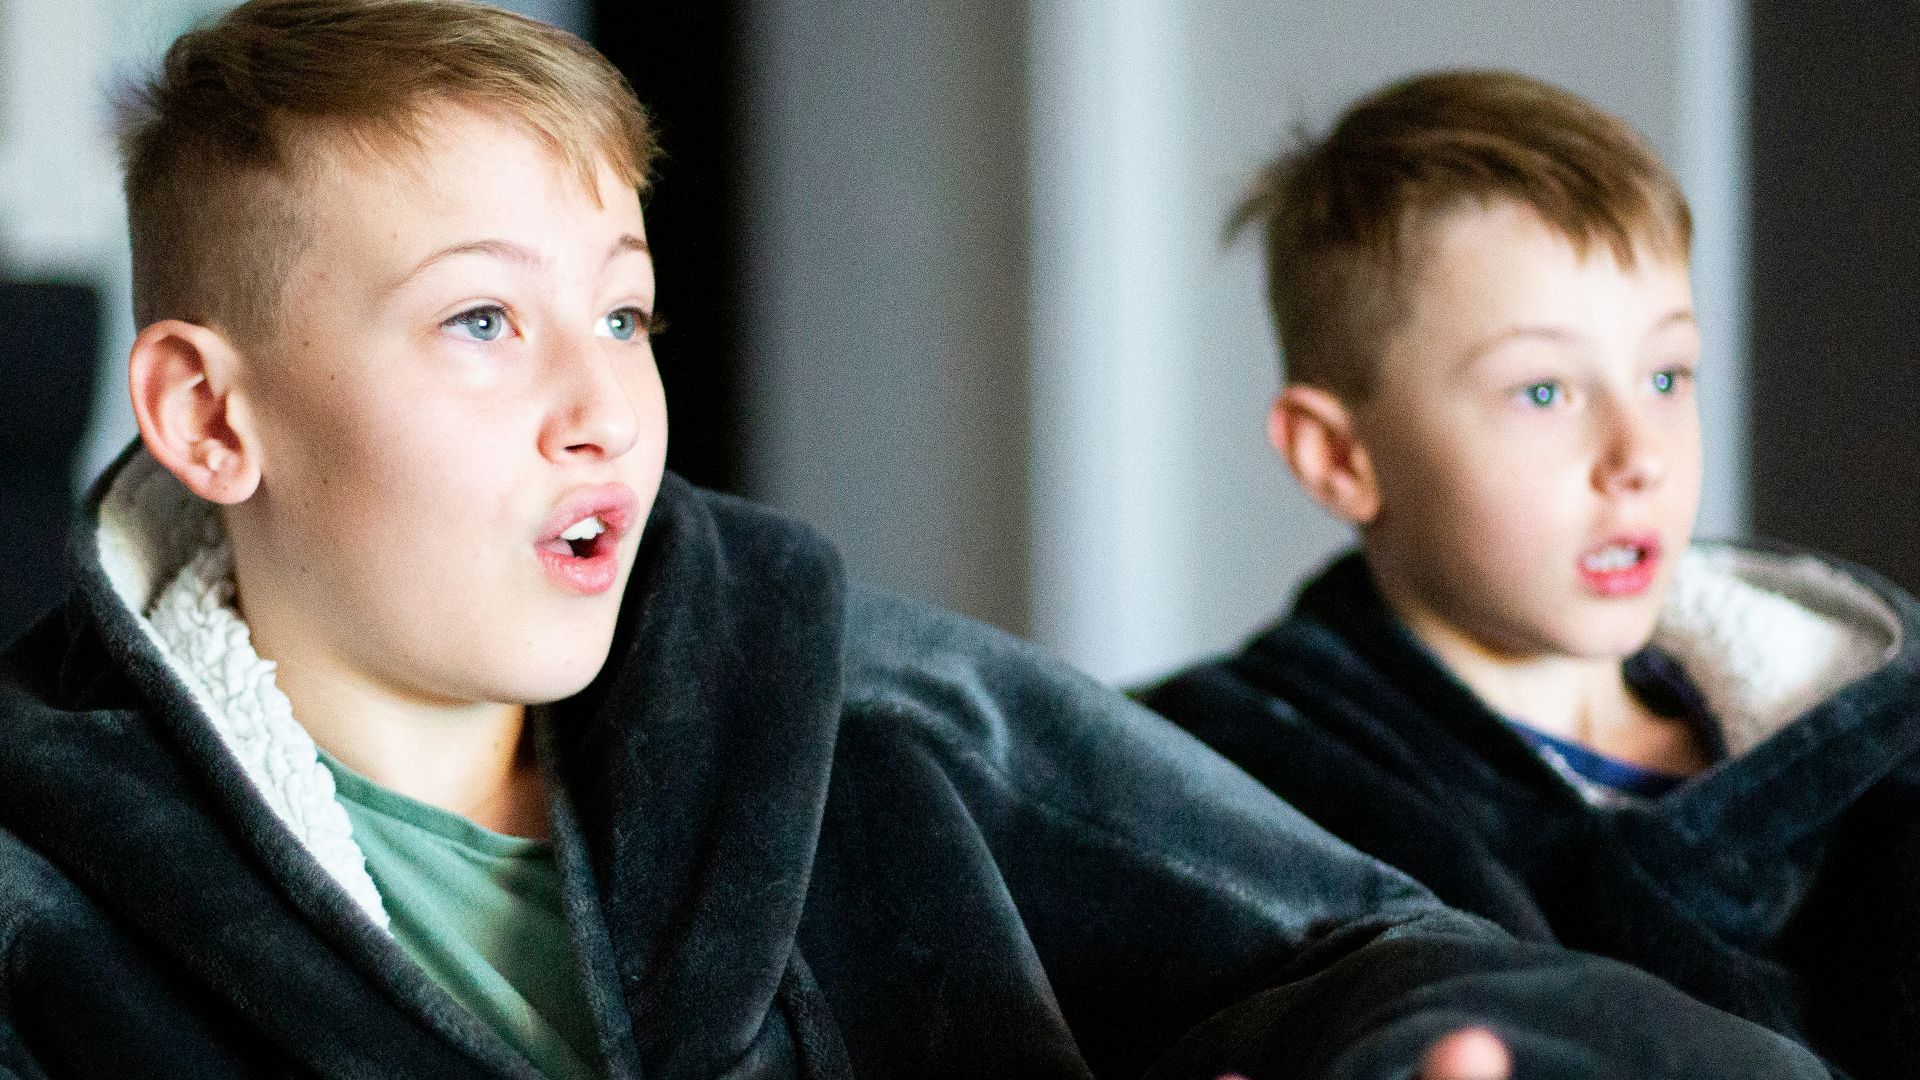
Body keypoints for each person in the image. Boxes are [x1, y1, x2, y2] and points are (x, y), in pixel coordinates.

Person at [0, 9, 1833, 1077]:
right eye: (483, 322)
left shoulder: (862, 709)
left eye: (623, 314)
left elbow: (1361, 944)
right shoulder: (52, 896)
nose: (603, 406)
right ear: (210, 418)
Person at [1137, 69, 1920, 1078]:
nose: (1639, 454)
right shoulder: (1226, 785)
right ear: (1340, 457)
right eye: (1544, 391)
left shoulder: (1869, 754)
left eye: (1667, 375)